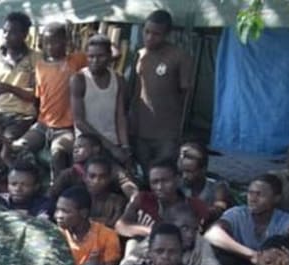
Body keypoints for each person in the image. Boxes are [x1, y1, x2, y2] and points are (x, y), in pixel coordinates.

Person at [16, 21, 87, 173]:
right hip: (43, 125)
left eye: (54, 42)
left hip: (65, 128)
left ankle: (57, 189)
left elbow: (113, 53)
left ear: (65, 42)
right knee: (19, 147)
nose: (49, 47)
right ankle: (28, 183)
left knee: (58, 154)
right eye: (46, 43)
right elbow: (38, 97)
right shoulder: (40, 66)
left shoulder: (77, 60)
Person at [129, 10, 193, 169]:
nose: (150, 37)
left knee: (164, 174)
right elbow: (133, 90)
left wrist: (180, 130)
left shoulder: (179, 56)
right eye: (147, 32)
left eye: (156, 34)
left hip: (167, 133)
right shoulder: (139, 55)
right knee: (144, 173)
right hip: (140, 130)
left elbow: (187, 96)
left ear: (167, 34)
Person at [204, 174, 289, 265]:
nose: (253, 199)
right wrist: (252, 255)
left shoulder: (283, 219)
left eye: (259, 194)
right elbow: (211, 234)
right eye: (250, 193)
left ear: (276, 198)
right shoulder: (238, 213)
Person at [115, 159, 209, 263]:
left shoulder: (195, 205)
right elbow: (120, 226)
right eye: (154, 182)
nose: (159, 187)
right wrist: (152, 231)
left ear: (177, 180)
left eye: (165, 181)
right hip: (147, 250)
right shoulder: (143, 199)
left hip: (181, 253)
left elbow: (197, 237)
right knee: (131, 244)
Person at [0, 12, 40, 145]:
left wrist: (9, 88)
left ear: (24, 35)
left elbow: (36, 95)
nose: (6, 36)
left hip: (23, 118)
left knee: (5, 141)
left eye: (12, 32)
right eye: (5, 31)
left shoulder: (36, 59)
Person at [72, 34, 131, 164]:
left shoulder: (118, 79)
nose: (95, 61)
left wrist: (125, 147)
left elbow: (120, 117)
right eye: (91, 57)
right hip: (87, 145)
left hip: (113, 142)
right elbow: (79, 122)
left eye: (100, 56)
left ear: (110, 56)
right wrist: (111, 148)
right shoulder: (79, 79)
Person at [178, 142, 231, 222]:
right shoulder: (180, 184)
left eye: (189, 172)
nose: (184, 176)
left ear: (203, 170)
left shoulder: (217, 186)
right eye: (183, 171)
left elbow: (219, 209)